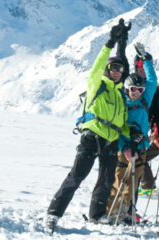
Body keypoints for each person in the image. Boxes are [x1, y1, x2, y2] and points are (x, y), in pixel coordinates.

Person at [44, 19, 131, 232]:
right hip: (92, 136)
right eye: (113, 68)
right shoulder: (96, 85)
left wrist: (123, 45)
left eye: (120, 68)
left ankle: (97, 215)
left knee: (107, 180)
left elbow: (122, 123)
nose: (117, 71)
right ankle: (53, 214)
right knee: (76, 176)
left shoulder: (120, 94)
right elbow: (97, 65)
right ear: (108, 70)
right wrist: (110, 42)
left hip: (111, 140)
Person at [105, 43, 158, 224]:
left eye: (140, 90)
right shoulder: (121, 103)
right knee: (119, 181)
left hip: (141, 146)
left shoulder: (145, 100)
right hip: (125, 147)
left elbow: (152, 81)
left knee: (133, 185)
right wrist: (124, 148)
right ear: (127, 89)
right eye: (133, 90)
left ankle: (123, 213)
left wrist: (147, 60)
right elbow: (117, 128)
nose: (136, 93)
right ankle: (111, 212)